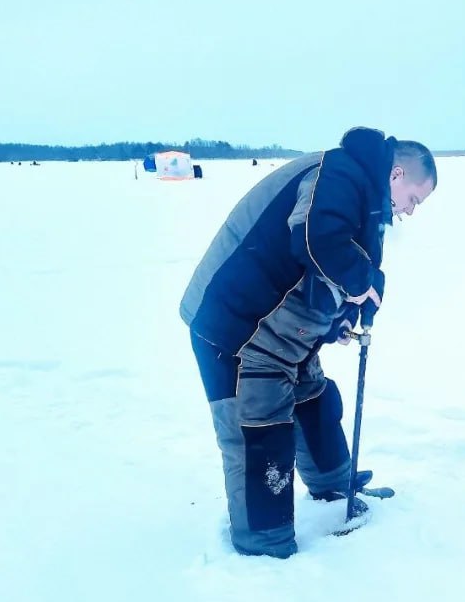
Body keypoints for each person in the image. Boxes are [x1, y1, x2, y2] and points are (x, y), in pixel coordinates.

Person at [180, 128, 437, 558]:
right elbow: (315, 238)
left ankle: (333, 488)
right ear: (396, 174)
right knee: (259, 426)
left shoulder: (365, 198)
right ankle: (264, 544)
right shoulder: (339, 173)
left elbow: (329, 271)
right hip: (235, 326)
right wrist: (361, 282)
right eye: (414, 199)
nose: (410, 211)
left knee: (314, 400)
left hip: (281, 330)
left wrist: (339, 319)